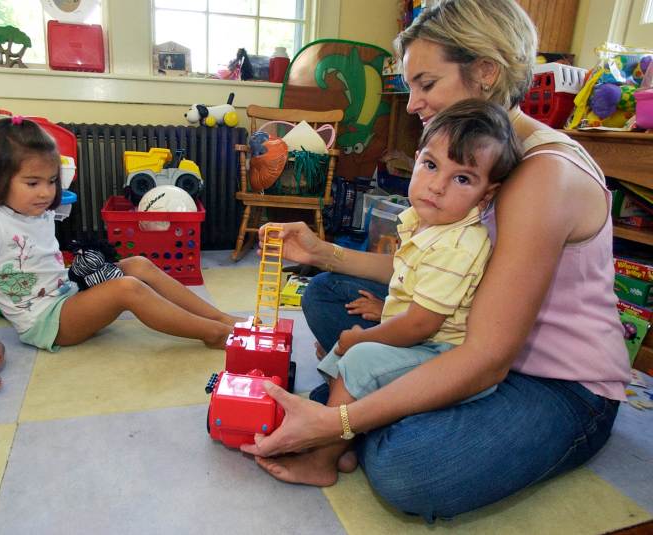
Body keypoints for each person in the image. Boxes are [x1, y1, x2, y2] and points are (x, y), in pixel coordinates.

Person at [240, 0, 631, 522]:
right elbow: (419, 270)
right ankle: (368, 401)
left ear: (486, 73)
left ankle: (355, 410)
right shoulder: (461, 160)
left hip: (552, 382)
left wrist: (339, 425)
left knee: (409, 467)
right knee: (324, 290)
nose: (412, 104)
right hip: (462, 334)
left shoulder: (541, 175)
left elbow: (488, 357)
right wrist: (320, 252)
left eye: (426, 83)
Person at [0, 117, 240, 369]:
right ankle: (214, 334)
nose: (46, 192)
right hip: (47, 324)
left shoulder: (34, 209)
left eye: (52, 181)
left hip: (67, 295)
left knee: (137, 264)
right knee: (127, 288)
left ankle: (222, 319)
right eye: (32, 182)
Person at [315, 98, 521, 458]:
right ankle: (346, 437)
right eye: (430, 165)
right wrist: (382, 313)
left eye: (461, 178)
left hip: (442, 353)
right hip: (420, 333)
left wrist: (363, 337)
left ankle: (324, 456)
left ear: (486, 196)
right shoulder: (423, 221)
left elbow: (421, 325)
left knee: (358, 357)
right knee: (340, 351)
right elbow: (412, 287)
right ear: (416, 159)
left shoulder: (458, 244)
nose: (437, 186)